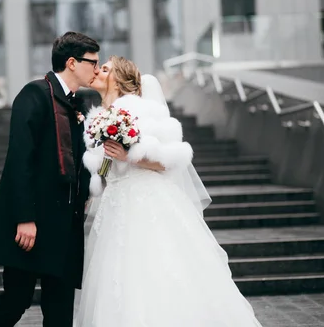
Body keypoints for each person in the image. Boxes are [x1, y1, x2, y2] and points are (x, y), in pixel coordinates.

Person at [75, 56, 262, 326]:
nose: (97, 72)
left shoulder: (140, 110)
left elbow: (166, 162)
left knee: (154, 269)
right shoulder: (98, 119)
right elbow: (104, 168)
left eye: (105, 69)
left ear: (120, 78)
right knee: (118, 276)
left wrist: (129, 155)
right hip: (114, 206)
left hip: (145, 202)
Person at [0, 31, 100, 327]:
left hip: (65, 226)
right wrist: (25, 218)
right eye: (92, 63)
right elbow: (19, 160)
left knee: (60, 310)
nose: (97, 69)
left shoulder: (79, 104)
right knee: (16, 300)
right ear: (72, 63)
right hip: (33, 224)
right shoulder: (34, 94)